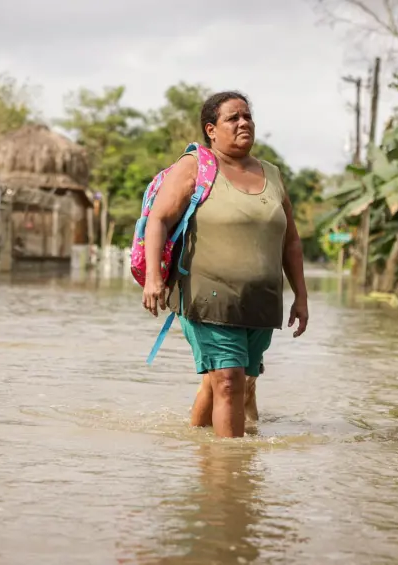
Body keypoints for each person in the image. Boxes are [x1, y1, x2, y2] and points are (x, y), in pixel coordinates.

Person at [142, 92, 309, 438]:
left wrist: (302, 297)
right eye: (233, 118)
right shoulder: (195, 167)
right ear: (211, 129)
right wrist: (153, 279)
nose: (244, 122)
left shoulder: (272, 175)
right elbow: (158, 219)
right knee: (230, 383)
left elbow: (290, 241)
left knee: (235, 382)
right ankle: (229, 478)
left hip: (260, 302)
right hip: (209, 296)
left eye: (247, 116)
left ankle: (195, 442)